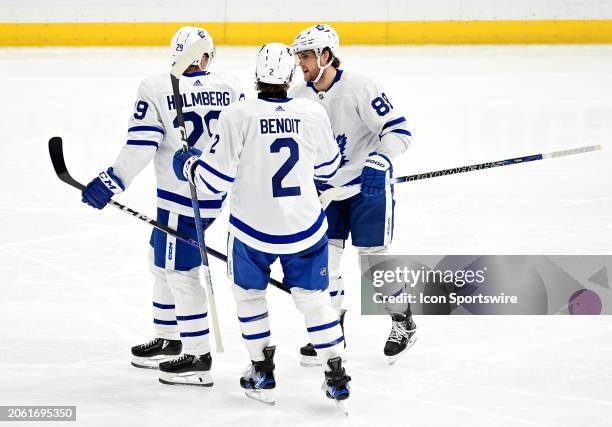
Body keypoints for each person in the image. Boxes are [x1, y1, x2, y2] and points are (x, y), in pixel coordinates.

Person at [172, 42, 351, 410]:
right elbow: (328, 170)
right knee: (315, 300)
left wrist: (189, 165)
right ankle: (335, 373)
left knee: (250, 298)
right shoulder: (311, 111)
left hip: (252, 230)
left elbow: (213, 181)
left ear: (257, 76)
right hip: (305, 227)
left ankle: (262, 369)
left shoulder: (238, 114)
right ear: (288, 76)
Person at [80, 26, 244, 386]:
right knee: (161, 258)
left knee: (179, 272)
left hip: (180, 197)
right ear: (207, 57)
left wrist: (112, 180)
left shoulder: (156, 86)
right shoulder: (231, 87)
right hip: (215, 192)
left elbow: (141, 145)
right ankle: (169, 337)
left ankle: (198, 357)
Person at [290, 24, 417, 365]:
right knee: (326, 265)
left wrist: (379, 160)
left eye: (305, 56)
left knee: (373, 262)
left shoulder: (360, 87)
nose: (299, 62)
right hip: (326, 193)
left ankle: (402, 319)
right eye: (298, 55)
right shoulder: (298, 99)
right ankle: (332, 328)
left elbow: (399, 130)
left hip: (367, 188)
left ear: (325, 56)